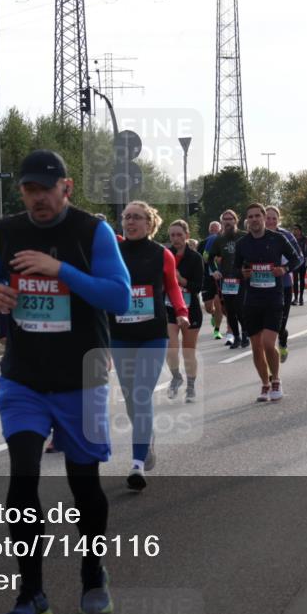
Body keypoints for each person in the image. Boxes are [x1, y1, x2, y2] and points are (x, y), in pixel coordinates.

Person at [0, 149, 131, 614]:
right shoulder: (6, 231)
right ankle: (32, 595)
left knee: (83, 484)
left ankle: (92, 574)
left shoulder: (92, 231)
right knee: (22, 477)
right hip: (23, 375)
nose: (37, 198)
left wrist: (57, 268)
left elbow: (118, 295)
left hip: (81, 376)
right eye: (29, 189)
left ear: (65, 187)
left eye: (45, 188)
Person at [110, 202, 189, 491]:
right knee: (131, 399)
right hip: (119, 334)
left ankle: (137, 464)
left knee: (141, 393)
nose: (130, 222)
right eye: (127, 217)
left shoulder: (162, 254)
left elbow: (172, 287)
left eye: (137, 217)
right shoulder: (112, 253)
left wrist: (181, 311)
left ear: (149, 223)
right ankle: (147, 436)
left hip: (152, 334)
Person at [236, 204, 304, 401]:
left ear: (264, 218)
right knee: (256, 346)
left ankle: (276, 380)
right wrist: (242, 272)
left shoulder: (278, 239)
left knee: (267, 343)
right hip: (252, 299)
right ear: (247, 220)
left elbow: (297, 259)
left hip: (274, 297)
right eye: (251, 217)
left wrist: (284, 269)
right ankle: (265, 384)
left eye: (258, 216)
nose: (254, 219)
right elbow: (234, 268)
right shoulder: (243, 243)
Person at [165, 220, 204, 404]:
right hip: (169, 308)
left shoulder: (195, 258)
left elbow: (199, 286)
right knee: (171, 349)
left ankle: (190, 386)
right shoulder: (165, 256)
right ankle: (176, 377)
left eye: (179, 234)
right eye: (172, 235)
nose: (176, 239)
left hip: (190, 310)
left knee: (189, 352)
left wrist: (182, 280)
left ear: (187, 236)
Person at [264, 206, 303, 362]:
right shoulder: (256, 236)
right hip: (262, 287)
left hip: (284, 285)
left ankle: (283, 341)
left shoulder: (286, 235)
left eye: (274, 218)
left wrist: (284, 269)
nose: (271, 221)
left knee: (280, 325)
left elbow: (299, 257)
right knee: (267, 327)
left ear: (279, 219)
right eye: (268, 218)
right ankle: (271, 367)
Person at [208, 210, 248, 348]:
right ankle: (236, 337)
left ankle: (245, 334)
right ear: (222, 222)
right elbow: (209, 258)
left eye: (230, 219)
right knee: (230, 310)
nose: (228, 221)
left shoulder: (244, 236)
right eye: (225, 219)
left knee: (240, 308)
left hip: (242, 279)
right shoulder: (219, 239)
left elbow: (252, 254)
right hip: (226, 280)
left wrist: (247, 268)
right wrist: (215, 271)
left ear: (235, 220)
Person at [197, 221, 224, 340]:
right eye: (211, 228)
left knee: (219, 304)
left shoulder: (223, 241)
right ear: (209, 230)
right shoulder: (203, 243)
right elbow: (199, 259)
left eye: (216, 228)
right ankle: (213, 314)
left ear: (220, 230)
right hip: (207, 277)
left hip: (219, 277)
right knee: (208, 307)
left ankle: (217, 330)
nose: (214, 230)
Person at [291, 225, 307, 306]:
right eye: (294, 229)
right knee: (295, 280)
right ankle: (295, 298)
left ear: (300, 230)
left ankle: (301, 298)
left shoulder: (305, 239)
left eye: (296, 229)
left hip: (303, 262)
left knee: (302, 279)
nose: (294, 231)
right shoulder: (292, 239)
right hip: (295, 262)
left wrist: (306, 257)